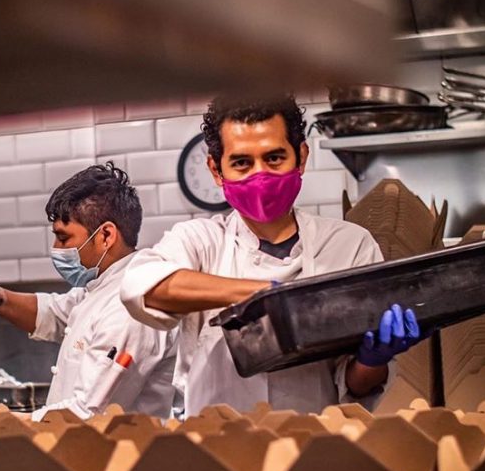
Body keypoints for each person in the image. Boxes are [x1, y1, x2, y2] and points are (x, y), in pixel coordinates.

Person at [120, 94, 424, 416]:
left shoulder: (348, 245)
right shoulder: (201, 241)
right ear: (216, 170)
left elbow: (356, 385)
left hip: (314, 437)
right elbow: (141, 287)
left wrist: (373, 359)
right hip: (215, 440)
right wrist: (266, 296)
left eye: (274, 158)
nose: (260, 175)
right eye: (242, 163)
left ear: (301, 157)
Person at [0, 163, 177, 420]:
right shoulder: (101, 288)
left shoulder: (129, 306)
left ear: (106, 235)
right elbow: (53, 313)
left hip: (115, 445)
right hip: (78, 441)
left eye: (64, 238)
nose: (56, 248)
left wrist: (3, 423)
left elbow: (89, 413)